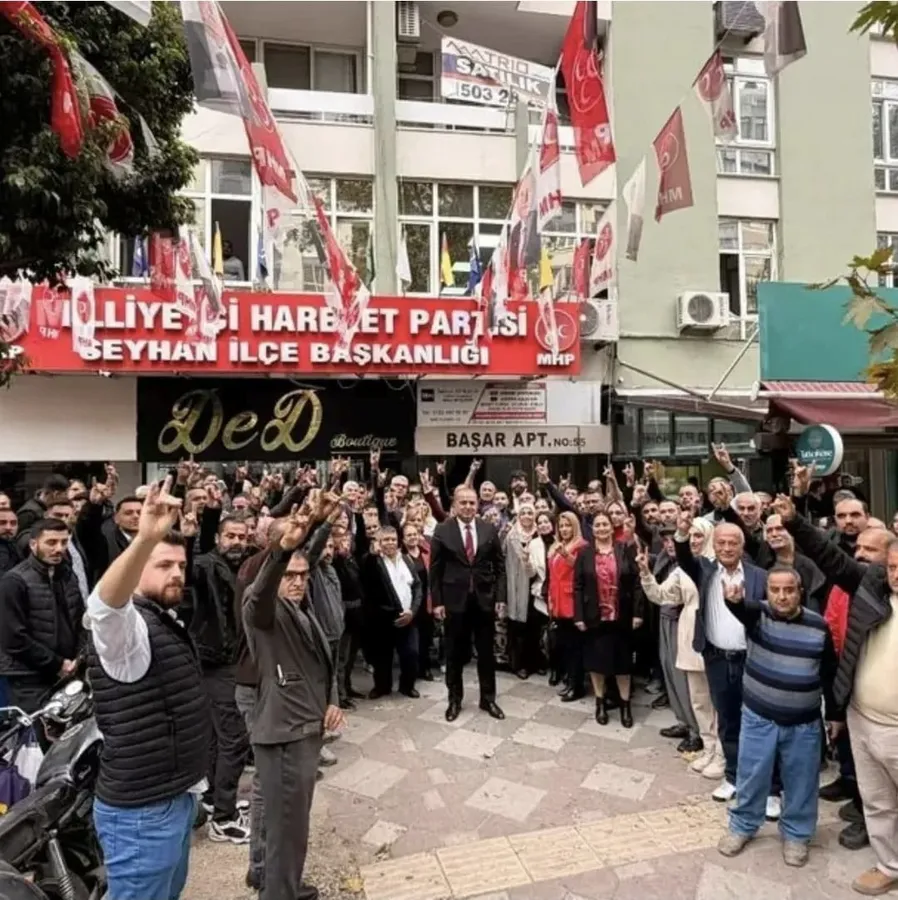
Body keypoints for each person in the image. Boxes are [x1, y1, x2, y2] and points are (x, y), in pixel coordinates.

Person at [87, 478, 210, 900]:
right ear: (136, 567)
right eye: (163, 565)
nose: (176, 574)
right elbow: (105, 608)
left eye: (181, 565)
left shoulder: (160, 617)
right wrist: (144, 540)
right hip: (143, 815)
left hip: (173, 799)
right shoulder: (127, 631)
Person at [243, 500, 345, 900]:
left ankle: (283, 884)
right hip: (284, 736)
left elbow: (320, 664)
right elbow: (262, 590)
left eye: (304, 576)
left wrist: (323, 523)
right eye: (290, 576)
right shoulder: (265, 609)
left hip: (304, 731)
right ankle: (278, 892)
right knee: (285, 832)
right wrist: (281, 552)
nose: (299, 582)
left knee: (292, 829)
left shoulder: (302, 607)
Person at [716, 566, 840, 868]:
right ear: (766, 592)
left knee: (801, 781)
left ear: (800, 592)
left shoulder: (818, 626)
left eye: (789, 590)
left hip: (804, 724)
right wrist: (733, 600)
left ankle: (797, 834)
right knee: (751, 776)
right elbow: (739, 608)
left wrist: (836, 715)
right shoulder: (757, 615)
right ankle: (742, 826)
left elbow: (829, 674)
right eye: (775, 590)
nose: (782, 596)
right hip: (759, 718)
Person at [673, 511, 773, 809]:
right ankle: (733, 777)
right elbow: (684, 557)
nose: (727, 548)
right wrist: (681, 533)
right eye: (721, 543)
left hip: (751, 660)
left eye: (733, 543)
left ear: (742, 546)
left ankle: (770, 787)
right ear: (713, 545)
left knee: (760, 722)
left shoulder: (759, 576)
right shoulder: (705, 571)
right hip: (716, 658)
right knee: (728, 722)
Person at [189, 514, 251, 844]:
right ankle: (224, 819)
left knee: (217, 737)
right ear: (218, 538)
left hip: (228, 661)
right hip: (215, 664)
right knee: (234, 738)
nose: (237, 542)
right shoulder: (206, 565)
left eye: (242, 536)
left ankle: (216, 800)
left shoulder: (239, 567)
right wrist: (192, 535)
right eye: (231, 536)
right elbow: (190, 573)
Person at [429, 485, 506, 723]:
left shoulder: (488, 529)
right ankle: (454, 700)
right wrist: (438, 602)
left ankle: (488, 699)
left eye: (472, 502)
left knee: (486, 653)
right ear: (454, 504)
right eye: (463, 502)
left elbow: (500, 566)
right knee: (454, 653)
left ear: (478, 505)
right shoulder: (443, 530)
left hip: (483, 601)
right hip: (454, 602)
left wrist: (500, 598)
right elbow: (435, 570)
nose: (468, 507)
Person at [0, 518, 85, 726]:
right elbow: (13, 638)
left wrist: (79, 658)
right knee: (37, 735)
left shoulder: (67, 575)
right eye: (51, 542)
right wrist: (57, 663)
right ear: (33, 544)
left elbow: (80, 620)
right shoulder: (15, 581)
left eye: (64, 542)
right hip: (29, 676)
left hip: (69, 674)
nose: (59, 549)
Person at [574, 512, 644, 729]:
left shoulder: (624, 549)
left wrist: (638, 612)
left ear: (612, 528)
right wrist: (579, 616)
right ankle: (600, 702)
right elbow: (578, 586)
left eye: (605, 524)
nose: (602, 528)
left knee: (623, 664)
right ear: (592, 529)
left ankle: (625, 705)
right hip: (595, 617)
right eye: (597, 525)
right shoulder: (584, 553)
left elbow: (637, 583)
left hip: (621, 616)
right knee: (597, 663)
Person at [362, 525, 422, 698]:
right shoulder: (373, 562)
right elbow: (366, 573)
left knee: (411, 653)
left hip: (408, 617)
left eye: (393, 539)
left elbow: (417, 586)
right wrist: (372, 554)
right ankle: (382, 687)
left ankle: (407, 686)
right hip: (383, 620)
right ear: (379, 542)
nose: (390, 543)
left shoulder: (406, 560)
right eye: (386, 540)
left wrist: (412, 611)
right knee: (382, 656)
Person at [546, 511, 588, 701]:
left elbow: (582, 569)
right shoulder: (556, 546)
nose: (564, 529)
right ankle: (570, 682)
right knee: (565, 645)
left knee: (575, 646)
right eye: (561, 526)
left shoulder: (582, 546)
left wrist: (566, 555)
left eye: (568, 525)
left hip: (572, 602)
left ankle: (577, 686)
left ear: (575, 526)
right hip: (558, 600)